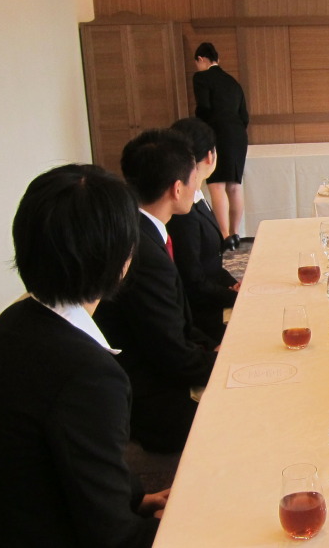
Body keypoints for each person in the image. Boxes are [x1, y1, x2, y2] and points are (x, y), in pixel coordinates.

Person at [0, 164, 165, 547]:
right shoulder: (89, 375)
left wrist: (136, 498)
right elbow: (114, 539)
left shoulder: (15, 321)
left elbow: (69, 458)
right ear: (121, 260)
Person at [95, 129, 218, 454]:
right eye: (194, 179)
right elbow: (170, 355)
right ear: (177, 189)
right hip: (151, 397)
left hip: (155, 367)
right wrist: (225, 362)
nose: (197, 186)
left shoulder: (140, 230)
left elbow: (173, 326)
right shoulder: (145, 254)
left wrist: (211, 348)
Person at [167, 117, 240, 343]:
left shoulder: (196, 197)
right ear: (210, 156)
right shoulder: (184, 211)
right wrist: (235, 298)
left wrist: (232, 283)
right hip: (202, 316)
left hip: (212, 296)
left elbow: (210, 262)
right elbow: (193, 281)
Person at [193, 41, 249, 251]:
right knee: (234, 185)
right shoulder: (233, 82)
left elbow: (204, 108)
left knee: (216, 184)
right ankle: (235, 234)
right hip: (238, 135)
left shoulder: (201, 77)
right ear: (218, 59)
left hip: (216, 132)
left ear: (201, 59)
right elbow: (244, 116)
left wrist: (201, 130)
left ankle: (224, 236)